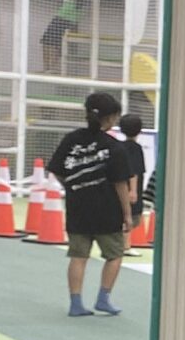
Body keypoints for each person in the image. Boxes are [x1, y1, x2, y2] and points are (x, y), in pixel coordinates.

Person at [48, 90, 141, 317]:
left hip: (78, 208)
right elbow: (120, 184)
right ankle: (103, 298)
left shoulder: (71, 140)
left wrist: (73, 186)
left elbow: (57, 170)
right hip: (108, 211)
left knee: (78, 257)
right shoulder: (114, 147)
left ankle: (76, 303)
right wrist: (127, 214)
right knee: (114, 255)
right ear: (109, 118)